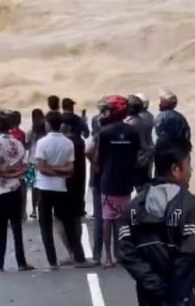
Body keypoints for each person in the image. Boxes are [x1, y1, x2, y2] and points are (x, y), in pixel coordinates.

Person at [119, 139, 195, 306]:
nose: (191, 171)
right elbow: (190, 256)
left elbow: (127, 252)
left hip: (149, 297)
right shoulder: (191, 205)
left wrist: (156, 287)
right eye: (188, 164)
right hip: (187, 296)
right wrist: (173, 295)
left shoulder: (133, 207)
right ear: (176, 169)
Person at [34, 111, 93, 270]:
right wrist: (61, 171)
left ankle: (52, 261)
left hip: (45, 187)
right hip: (61, 187)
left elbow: (41, 168)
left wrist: (50, 169)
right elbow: (69, 169)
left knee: (46, 226)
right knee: (69, 224)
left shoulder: (42, 143)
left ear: (48, 124)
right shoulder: (68, 143)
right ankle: (79, 257)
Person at [0, 110, 36, 272]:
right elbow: (25, 167)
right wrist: (14, 174)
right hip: (15, 188)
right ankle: (21, 262)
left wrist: (4, 173)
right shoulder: (17, 144)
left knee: (0, 227)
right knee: (17, 227)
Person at [96, 94, 140, 268]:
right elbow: (137, 154)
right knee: (123, 220)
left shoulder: (104, 132)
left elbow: (99, 157)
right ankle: (122, 254)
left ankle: (108, 257)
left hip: (108, 180)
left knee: (107, 219)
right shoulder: (132, 131)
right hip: (126, 181)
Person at [54, 113, 87, 265]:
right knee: (76, 217)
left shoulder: (68, 143)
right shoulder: (79, 141)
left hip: (67, 183)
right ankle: (75, 252)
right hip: (78, 183)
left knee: (62, 219)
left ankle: (72, 252)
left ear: (67, 126)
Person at [85, 97, 109, 265]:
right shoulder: (115, 132)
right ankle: (117, 254)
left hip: (98, 177)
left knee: (100, 216)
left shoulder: (97, 138)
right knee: (116, 217)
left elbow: (88, 152)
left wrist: (94, 163)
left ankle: (97, 255)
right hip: (114, 177)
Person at [125, 95, 155, 192]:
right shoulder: (147, 117)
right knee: (143, 184)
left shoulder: (131, 122)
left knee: (139, 186)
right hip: (145, 154)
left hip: (137, 157)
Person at [25, 108, 46, 219]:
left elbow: (27, 146)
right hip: (44, 161)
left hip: (32, 161)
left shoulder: (31, 132)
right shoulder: (46, 131)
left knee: (34, 187)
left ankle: (34, 210)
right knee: (44, 186)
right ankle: (43, 208)